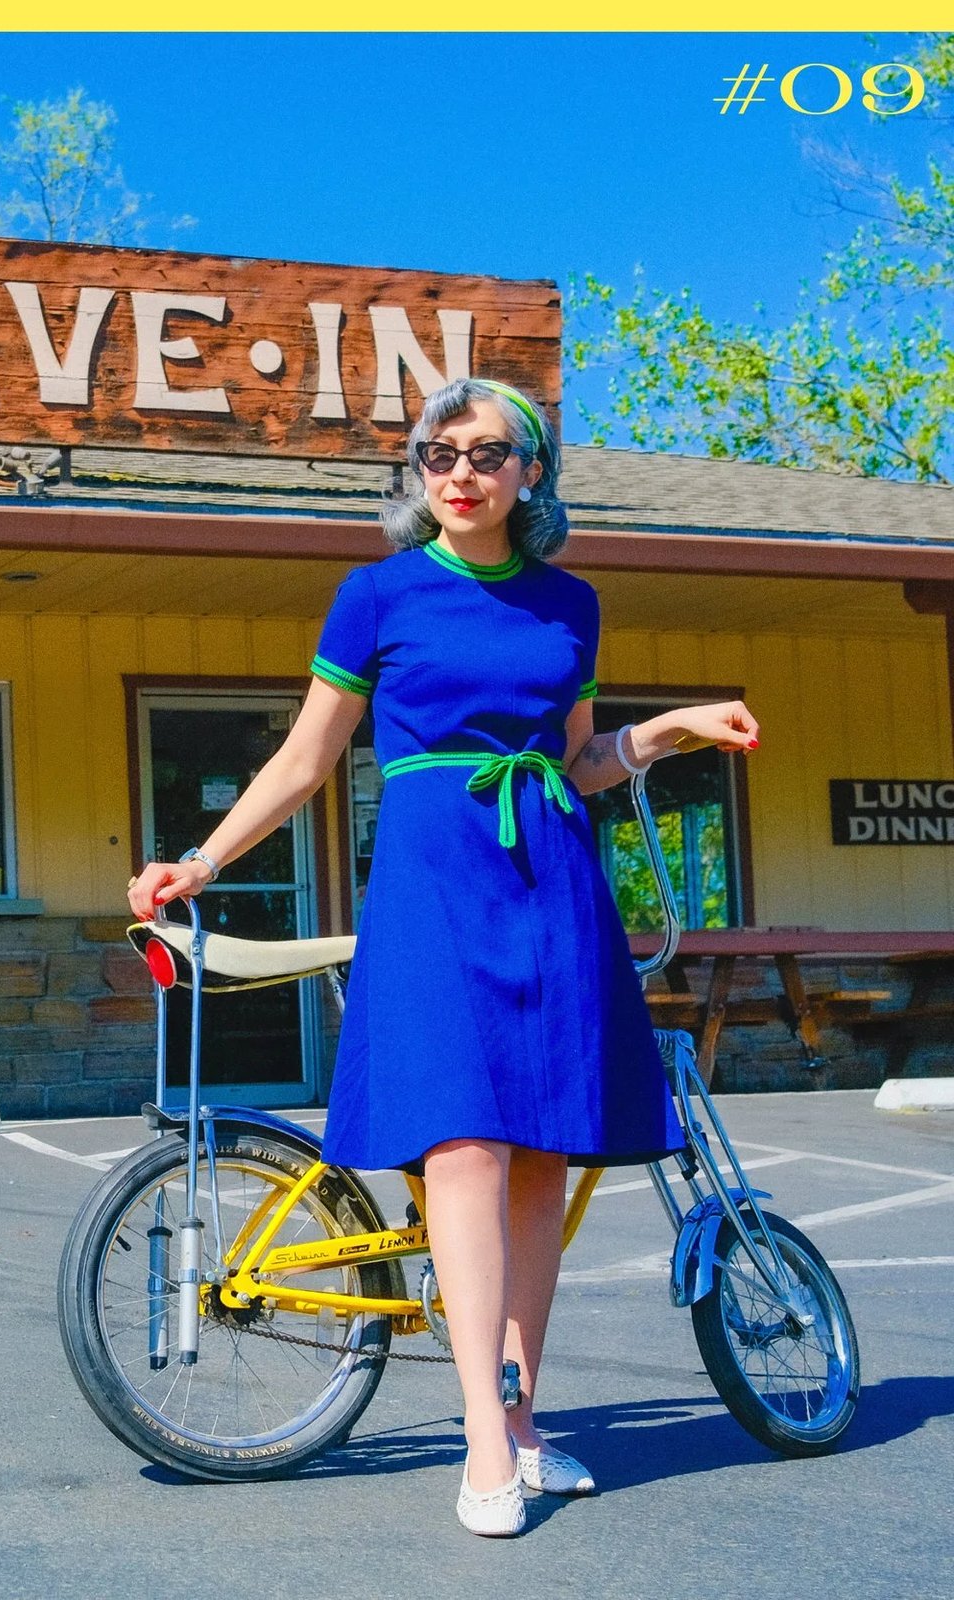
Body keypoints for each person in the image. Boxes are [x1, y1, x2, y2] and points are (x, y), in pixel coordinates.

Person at [123, 376, 757, 1537]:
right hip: (432, 885)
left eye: (486, 452)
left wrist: (671, 729)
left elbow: (576, 760)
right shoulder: (377, 595)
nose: (458, 472)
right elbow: (306, 760)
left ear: (531, 474)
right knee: (461, 1145)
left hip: (553, 885)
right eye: (436, 452)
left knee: (537, 1162)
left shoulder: (571, 606)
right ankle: (480, 1435)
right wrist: (200, 862)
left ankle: (523, 1421)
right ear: (417, 472)